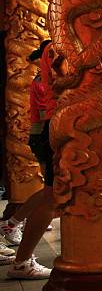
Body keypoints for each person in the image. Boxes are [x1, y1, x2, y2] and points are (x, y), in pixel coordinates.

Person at [1, 41, 57, 278]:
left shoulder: (45, 80)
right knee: (51, 196)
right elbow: (47, 114)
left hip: (47, 134)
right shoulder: (41, 82)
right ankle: (21, 254)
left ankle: (13, 224)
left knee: (50, 194)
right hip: (46, 135)